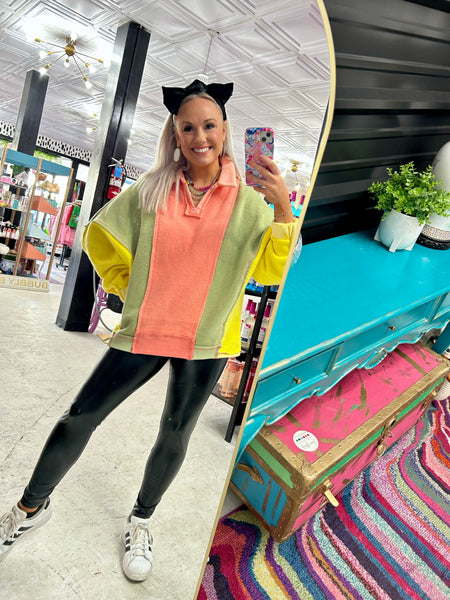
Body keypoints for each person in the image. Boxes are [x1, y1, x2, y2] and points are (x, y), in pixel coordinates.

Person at [0, 79, 295, 582]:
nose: (199, 137)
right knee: (80, 417)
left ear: (225, 131)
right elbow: (98, 234)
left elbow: (270, 271)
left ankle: (141, 520)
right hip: (147, 327)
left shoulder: (250, 203)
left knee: (175, 433)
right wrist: (129, 286)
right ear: (175, 134)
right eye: (188, 127)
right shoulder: (151, 189)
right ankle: (29, 509)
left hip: (208, 339)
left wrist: (283, 208)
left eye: (209, 126)